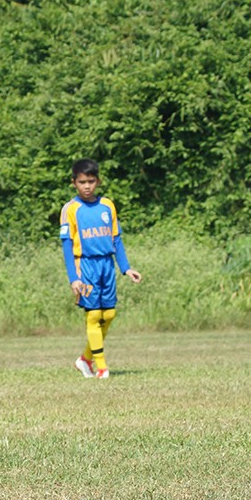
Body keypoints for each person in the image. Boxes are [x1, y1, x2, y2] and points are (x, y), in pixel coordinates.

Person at [59, 159, 142, 379]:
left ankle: (85, 359)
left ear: (98, 181)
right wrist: (73, 278)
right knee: (94, 315)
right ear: (74, 183)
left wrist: (125, 268)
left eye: (91, 181)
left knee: (110, 313)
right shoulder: (70, 209)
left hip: (107, 265)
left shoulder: (108, 205)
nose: (87, 186)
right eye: (82, 182)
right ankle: (102, 367)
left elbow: (116, 239)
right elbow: (67, 246)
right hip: (85, 266)